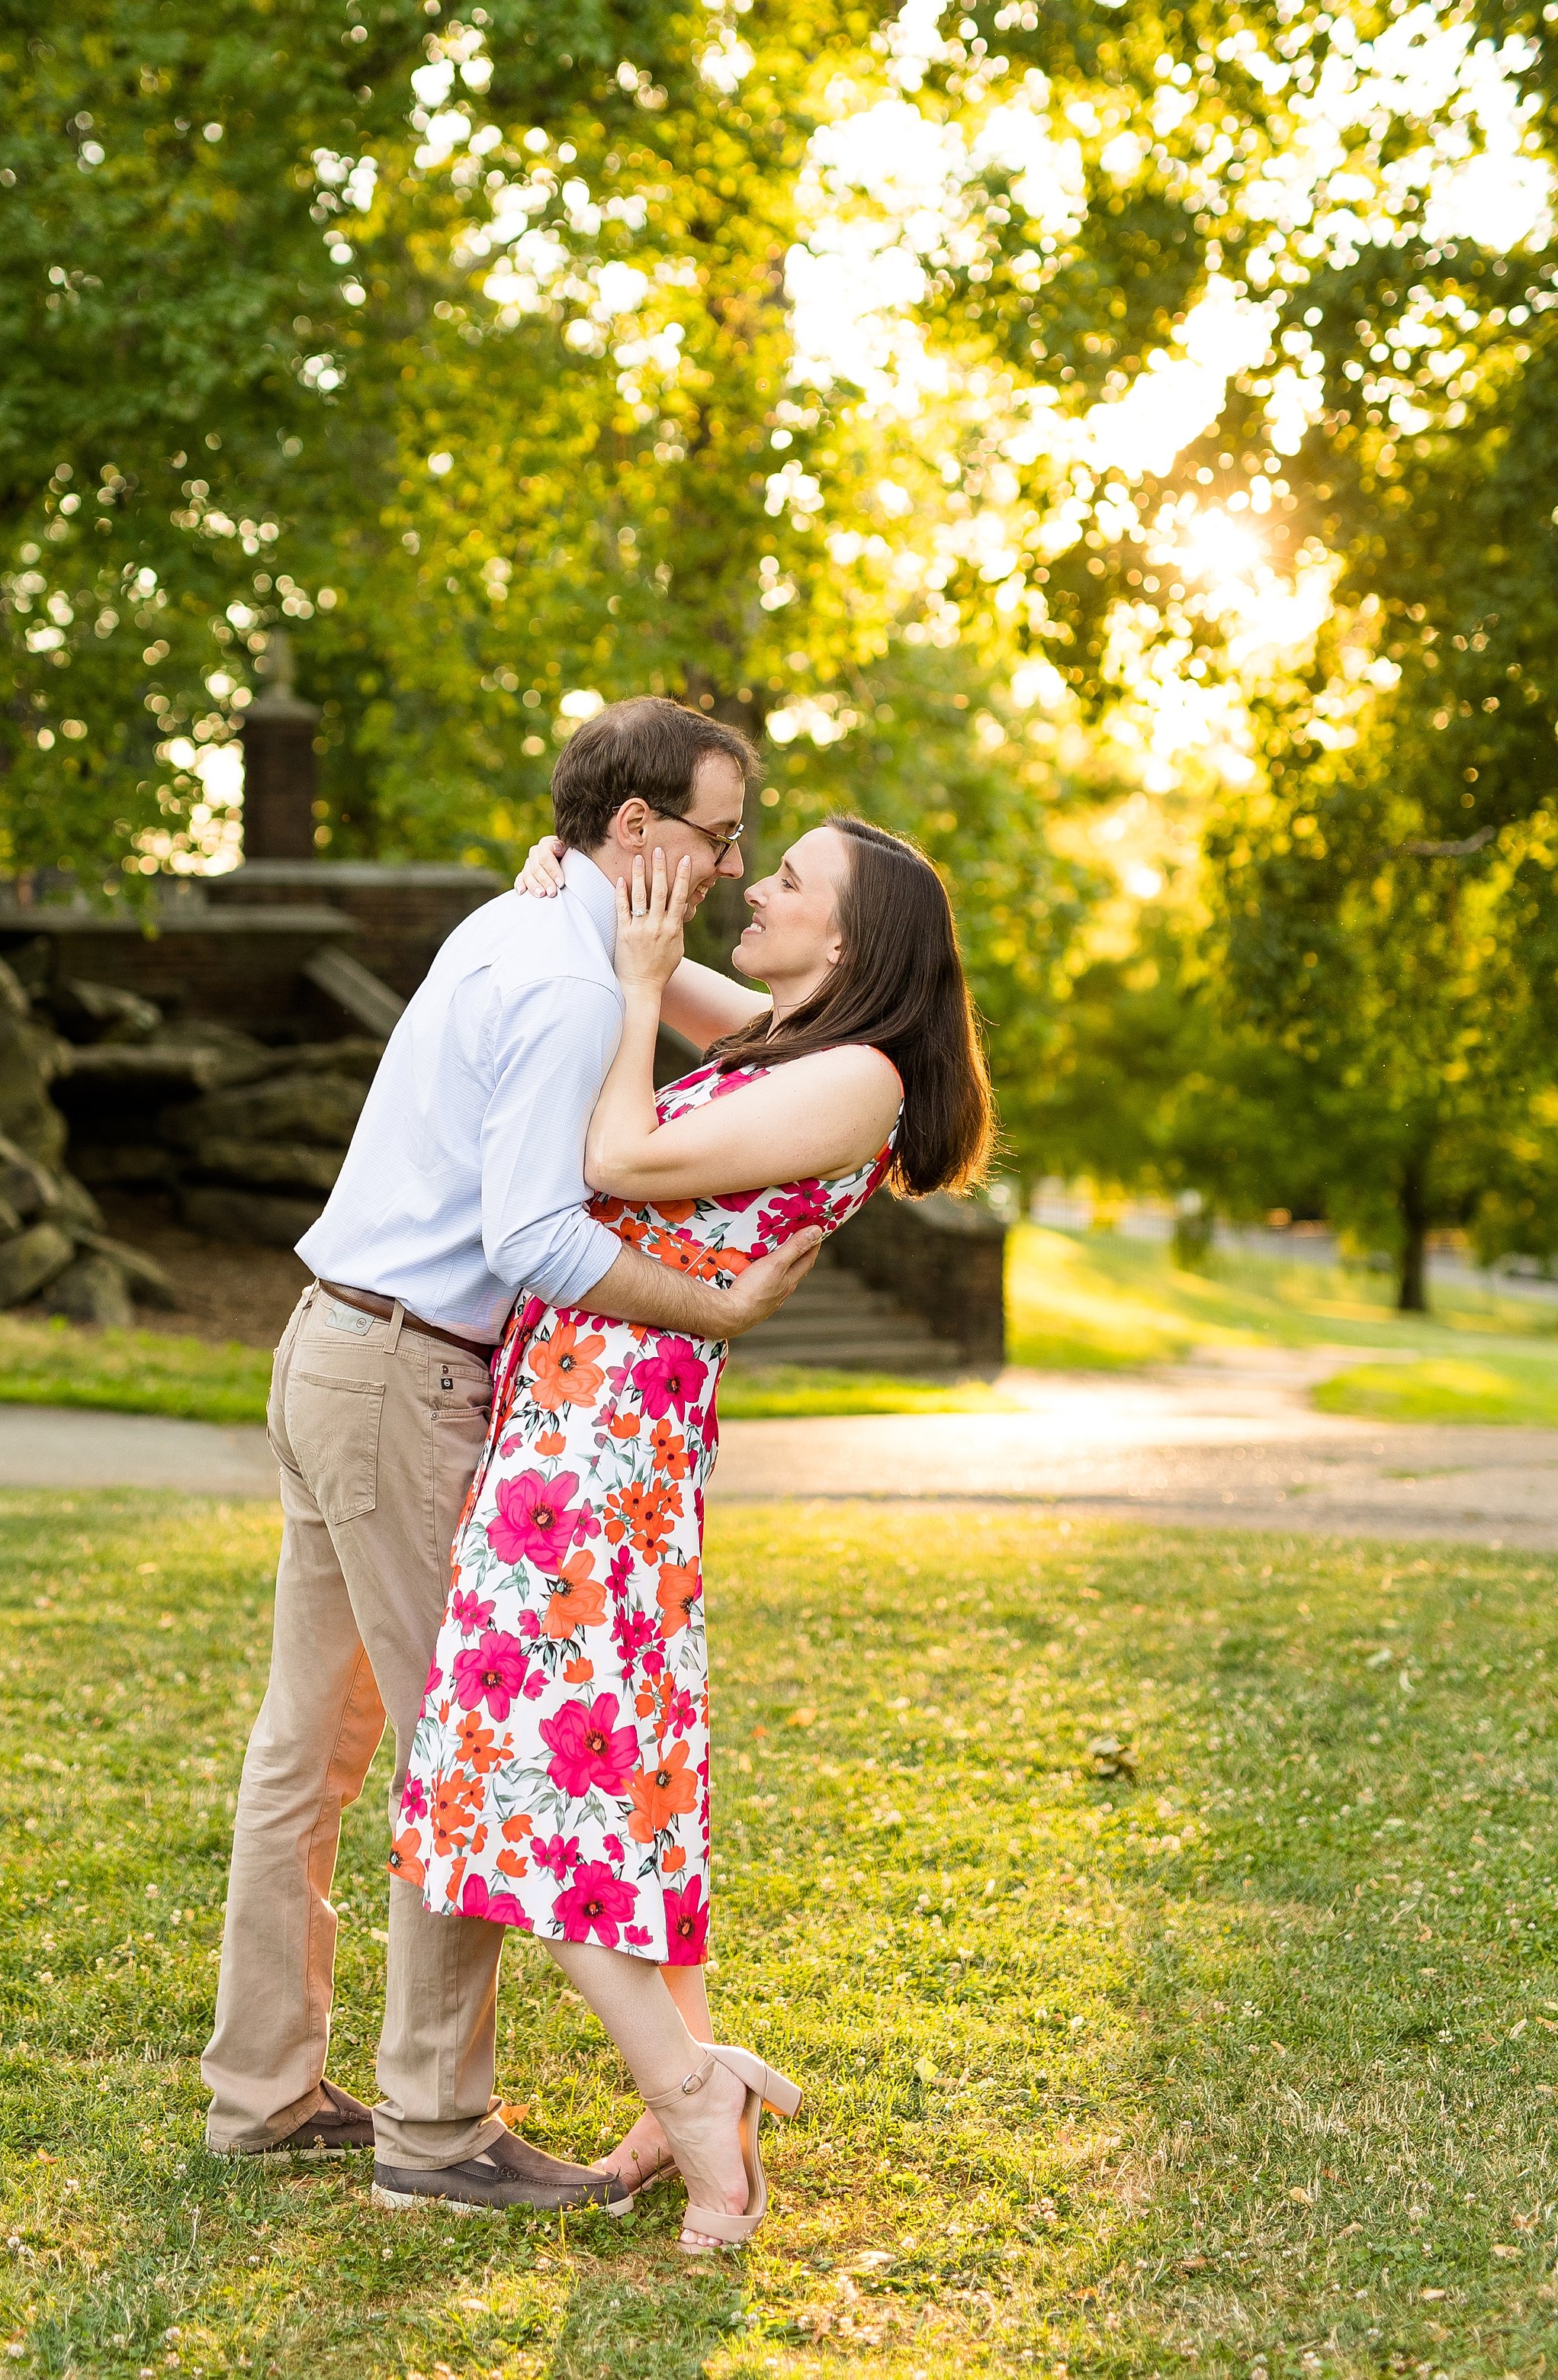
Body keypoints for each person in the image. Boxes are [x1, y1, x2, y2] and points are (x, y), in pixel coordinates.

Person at [200, 698, 828, 2216]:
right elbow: (536, 1239)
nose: (735, 864)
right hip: (407, 1380)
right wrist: (723, 1302)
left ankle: (261, 2091)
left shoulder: (527, 923)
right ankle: (433, 2134)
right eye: (718, 834)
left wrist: (689, 982)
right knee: (458, 1760)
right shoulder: (561, 982)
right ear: (636, 831)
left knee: (312, 1747)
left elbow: (763, 1047)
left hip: (330, 1346)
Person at [398, 811, 993, 2248]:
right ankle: (691, 2080)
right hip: (582, 1420)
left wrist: (641, 969)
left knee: (531, 1778)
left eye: (789, 878)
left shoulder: (852, 1078)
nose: (756, 886)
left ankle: (693, 2107)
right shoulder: (797, 1038)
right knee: (623, 1774)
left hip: (605, 1442)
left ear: (848, 940)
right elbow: (628, 954)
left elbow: (610, 1149)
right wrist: (565, 889)